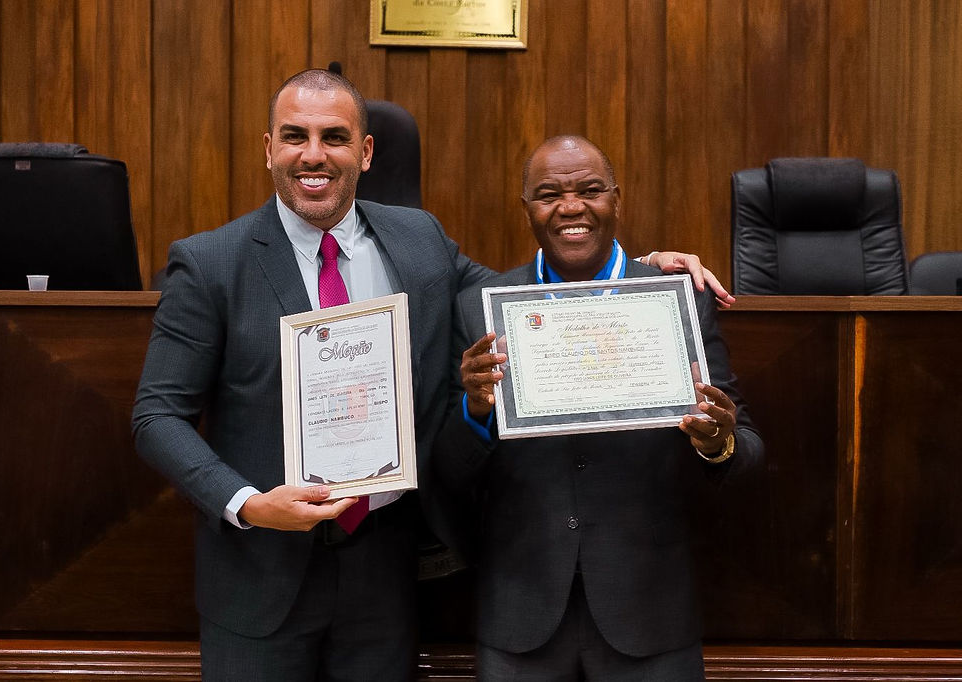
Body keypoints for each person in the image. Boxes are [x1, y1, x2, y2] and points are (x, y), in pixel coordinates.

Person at [132, 68, 736, 681]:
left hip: (384, 575)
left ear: (365, 153)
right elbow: (156, 416)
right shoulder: (210, 263)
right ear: (269, 149)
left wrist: (640, 273)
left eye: (335, 137)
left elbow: (527, 299)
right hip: (257, 578)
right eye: (295, 136)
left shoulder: (418, 241)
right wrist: (249, 504)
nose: (314, 155)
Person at [433, 135, 764, 681]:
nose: (570, 207)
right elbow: (447, 469)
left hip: (650, 617)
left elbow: (748, 452)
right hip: (521, 619)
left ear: (617, 199)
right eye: (548, 194)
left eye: (590, 190)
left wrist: (716, 441)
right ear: (527, 210)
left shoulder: (674, 298)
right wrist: (475, 410)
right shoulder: (480, 310)